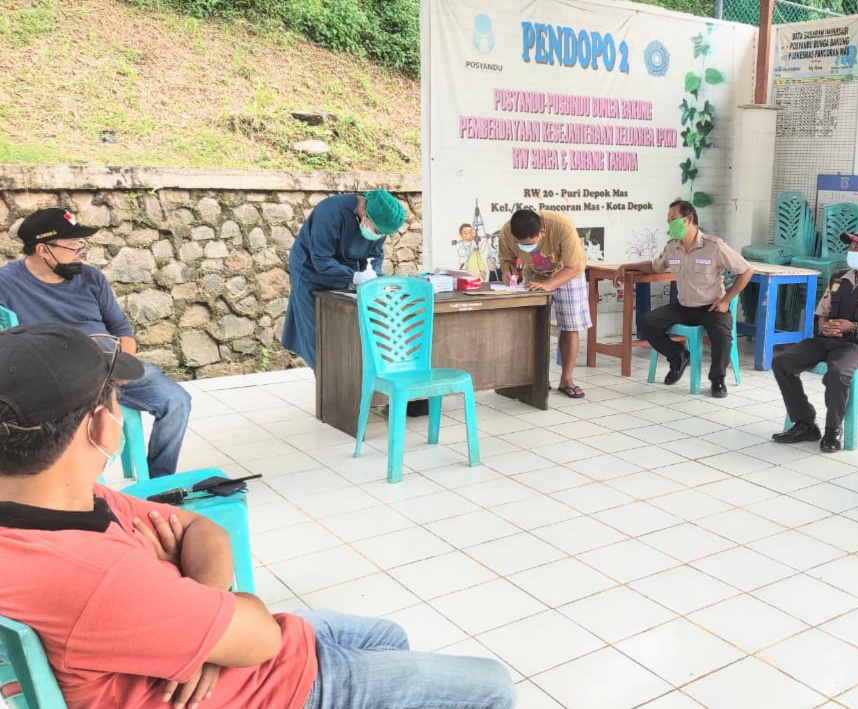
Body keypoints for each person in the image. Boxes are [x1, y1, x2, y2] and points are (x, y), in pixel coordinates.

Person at [0, 323, 517, 709]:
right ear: (101, 428)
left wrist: (198, 620)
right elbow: (260, 638)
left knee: (388, 636)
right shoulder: (97, 578)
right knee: (493, 686)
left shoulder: (59, 501)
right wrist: (201, 604)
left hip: (224, 651)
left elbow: (202, 527)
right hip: (271, 689)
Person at [0, 208, 191, 478]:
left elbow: (121, 328)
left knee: (177, 401)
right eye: (73, 246)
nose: (80, 252)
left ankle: (160, 481)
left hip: (108, 364)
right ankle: (87, 487)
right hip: (58, 379)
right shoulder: (6, 283)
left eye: (81, 244)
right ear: (43, 250)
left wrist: (122, 363)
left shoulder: (91, 278)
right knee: (86, 427)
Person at [771, 230, 858, 453]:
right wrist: (825, 325)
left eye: (857, 248)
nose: (851, 251)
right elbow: (822, 313)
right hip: (828, 340)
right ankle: (805, 423)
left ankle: (832, 430)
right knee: (782, 362)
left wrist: (854, 327)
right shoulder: (839, 277)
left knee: (838, 372)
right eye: (850, 247)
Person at [613, 200, 753, 398]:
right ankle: (678, 356)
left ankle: (717, 380)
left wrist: (725, 300)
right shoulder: (673, 247)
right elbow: (654, 266)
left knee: (722, 336)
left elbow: (746, 270)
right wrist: (626, 266)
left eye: (673, 219)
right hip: (683, 307)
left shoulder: (714, 246)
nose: (670, 224)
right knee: (647, 322)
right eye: (668, 220)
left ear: (688, 220)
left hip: (711, 307)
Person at [282, 189, 406, 369]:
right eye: (378, 230)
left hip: (349, 270)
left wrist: (372, 275)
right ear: (365, 212)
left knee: (348, 328)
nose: (379, 235)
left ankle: (348, 378)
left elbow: (375, 255)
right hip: (311, 270)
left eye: (383, 233)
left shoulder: (379, 222)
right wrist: (354, 276)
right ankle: (327, 381)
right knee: (318, 334)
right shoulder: (329, 212)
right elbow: (321, 259)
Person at [499, 209, 590, 398]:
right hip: (533, 276)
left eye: (529, 244)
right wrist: (508, 271)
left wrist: (548, 285)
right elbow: (506, 259)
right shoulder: (507, 231)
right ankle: (536, 379)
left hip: (567, 275)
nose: (525, 248)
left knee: (570, 326)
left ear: (543, 232)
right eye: (520, 244)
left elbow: (574, 266)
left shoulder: (562, 226)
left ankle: (566, 380)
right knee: (530, 328)